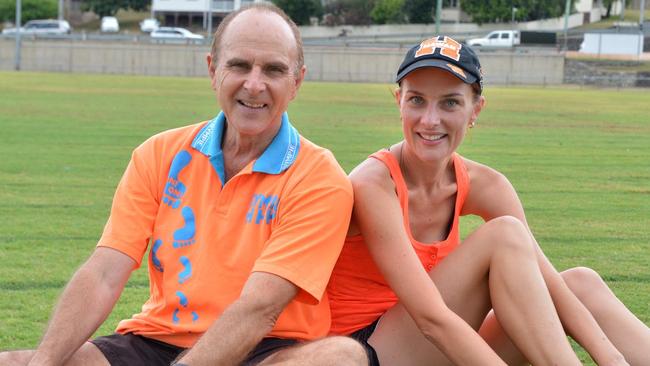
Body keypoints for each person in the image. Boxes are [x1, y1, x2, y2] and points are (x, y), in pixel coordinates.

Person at [0, 4, 368, 366]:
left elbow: (259, 309)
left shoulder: (319, 178)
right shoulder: (158, 154)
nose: (254, 85)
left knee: (341, 357)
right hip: (156, 341)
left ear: (297, 81)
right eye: (239, 65)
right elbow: (104, 273)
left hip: (266, 348)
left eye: (273, 70)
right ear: (212, 70)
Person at [327, 35, 650, 365]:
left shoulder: (486, 184)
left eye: (450, 102)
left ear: (475, 109)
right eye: (417, 100)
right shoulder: (374, 183)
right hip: (365, 351)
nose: (430, 120)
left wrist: (612, 358)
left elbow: (546, 279)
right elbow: (430, 320)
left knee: (579, 283)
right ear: (399, 101)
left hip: (440, 341)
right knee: (505, 236)